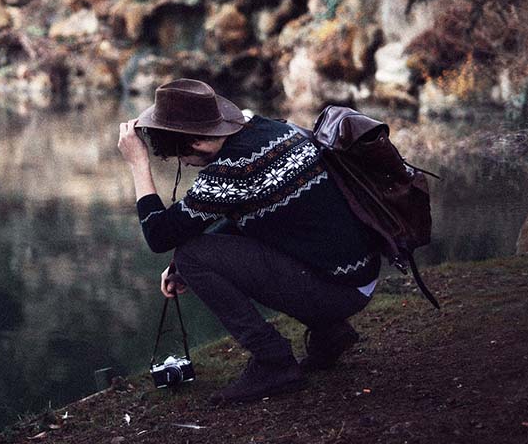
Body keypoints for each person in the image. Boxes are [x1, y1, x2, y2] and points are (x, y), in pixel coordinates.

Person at [117, 79, 382, 404]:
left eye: (179, 156)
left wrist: (138, 164)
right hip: (356, 274)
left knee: (190, 256)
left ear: (198, 143)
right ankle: (330, 333)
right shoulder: (268, 129)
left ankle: (274, 362)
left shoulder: (234, 169)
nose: (183, 164)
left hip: (339, 290)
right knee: (194, 257)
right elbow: (252, 217)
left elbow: (159, 236)